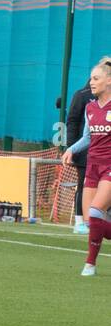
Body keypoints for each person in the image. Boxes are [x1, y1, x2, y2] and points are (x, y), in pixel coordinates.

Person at [61, 60, 111, 276]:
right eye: (91, 78)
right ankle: (91, 263)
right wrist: (71, 149)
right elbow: (87, 137)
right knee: (93, 222)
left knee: (95, 210)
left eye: (96, 78)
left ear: (109, 81)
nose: (91, 82)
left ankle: (89, 263)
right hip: (92, 165)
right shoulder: (90, 107)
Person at [67, 76, 96, 235]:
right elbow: (72, 122)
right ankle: (80, 221)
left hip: (104, 154)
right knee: (84, 185)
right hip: (84, 152)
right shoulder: (82, 95)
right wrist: (71, 148)